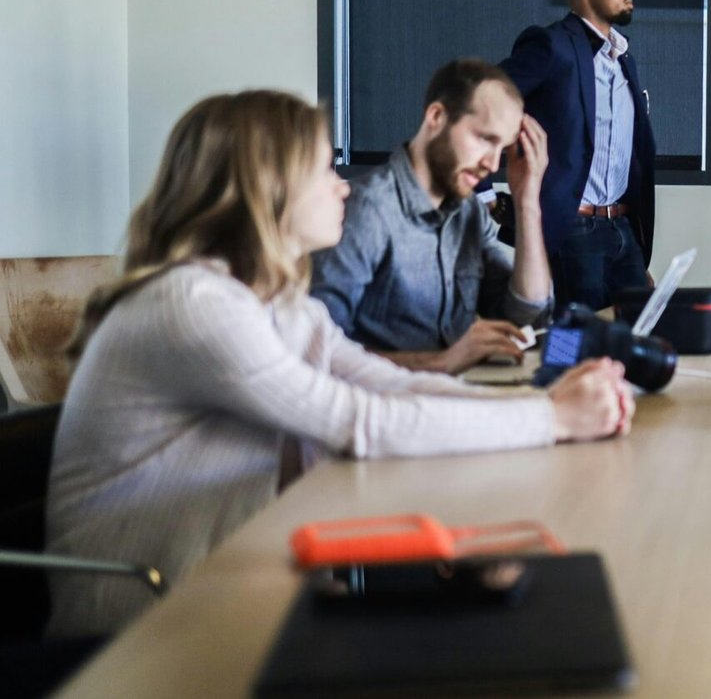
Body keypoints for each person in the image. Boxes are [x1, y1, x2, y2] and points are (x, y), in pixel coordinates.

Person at [45, 91, 633, 639]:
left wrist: (541, 408)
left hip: (232, 585)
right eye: (325, 170)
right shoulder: (195, 305)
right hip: (144, 629)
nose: (343, 188)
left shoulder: (271, 303)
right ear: (267, 186)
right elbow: (361, 423)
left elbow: (390, 384)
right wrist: (551, 420)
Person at [311, 58, 552, 374]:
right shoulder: (366, 210)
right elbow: (317, 352)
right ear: (436, 116)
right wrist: (440, 363)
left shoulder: (469, 213)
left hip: (449, 397)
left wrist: (528, 201)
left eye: (502, 149)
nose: (493, 165)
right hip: (383, 409)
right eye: (484, 139)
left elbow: (527, 316)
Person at [501, 0, 656, 310]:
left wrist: (630, 238)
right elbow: (479, 100)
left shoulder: (622, 59)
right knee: (572, 342)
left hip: (622, 227)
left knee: (636, 336)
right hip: (573, 229)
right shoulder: (551, 46)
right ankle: (552, 372)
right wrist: (485, 195)